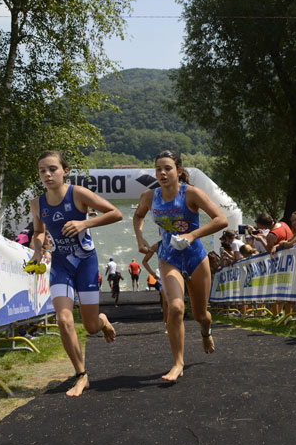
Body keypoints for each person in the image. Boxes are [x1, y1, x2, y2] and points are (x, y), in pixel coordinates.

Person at [29, 150, 122, 397]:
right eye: (42, 171)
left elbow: (116, 213)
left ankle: (102, 321)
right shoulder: (37, 203)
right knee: (63, 319)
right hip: (61, 265)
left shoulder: (78, 194)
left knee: (90, 327)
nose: (47, 174)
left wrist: (84, 223)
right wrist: (38, 249)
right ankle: (81, 375)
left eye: (52, 169)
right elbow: (38, 232)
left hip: (85, 263)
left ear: (65, 171)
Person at [133, 150, 227, 382]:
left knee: (200, 315)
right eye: (158, 169)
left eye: (167, 168)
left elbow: (221, 219)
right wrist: (140, 237)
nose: (162, 173)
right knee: (175, 308)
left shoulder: (191, 194)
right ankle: (177, 363)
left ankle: (206, 332)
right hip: (169, 258)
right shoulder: (149, 196)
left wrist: (193, 235)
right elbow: (138, 216)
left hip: (195, 258)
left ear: (179, 171)